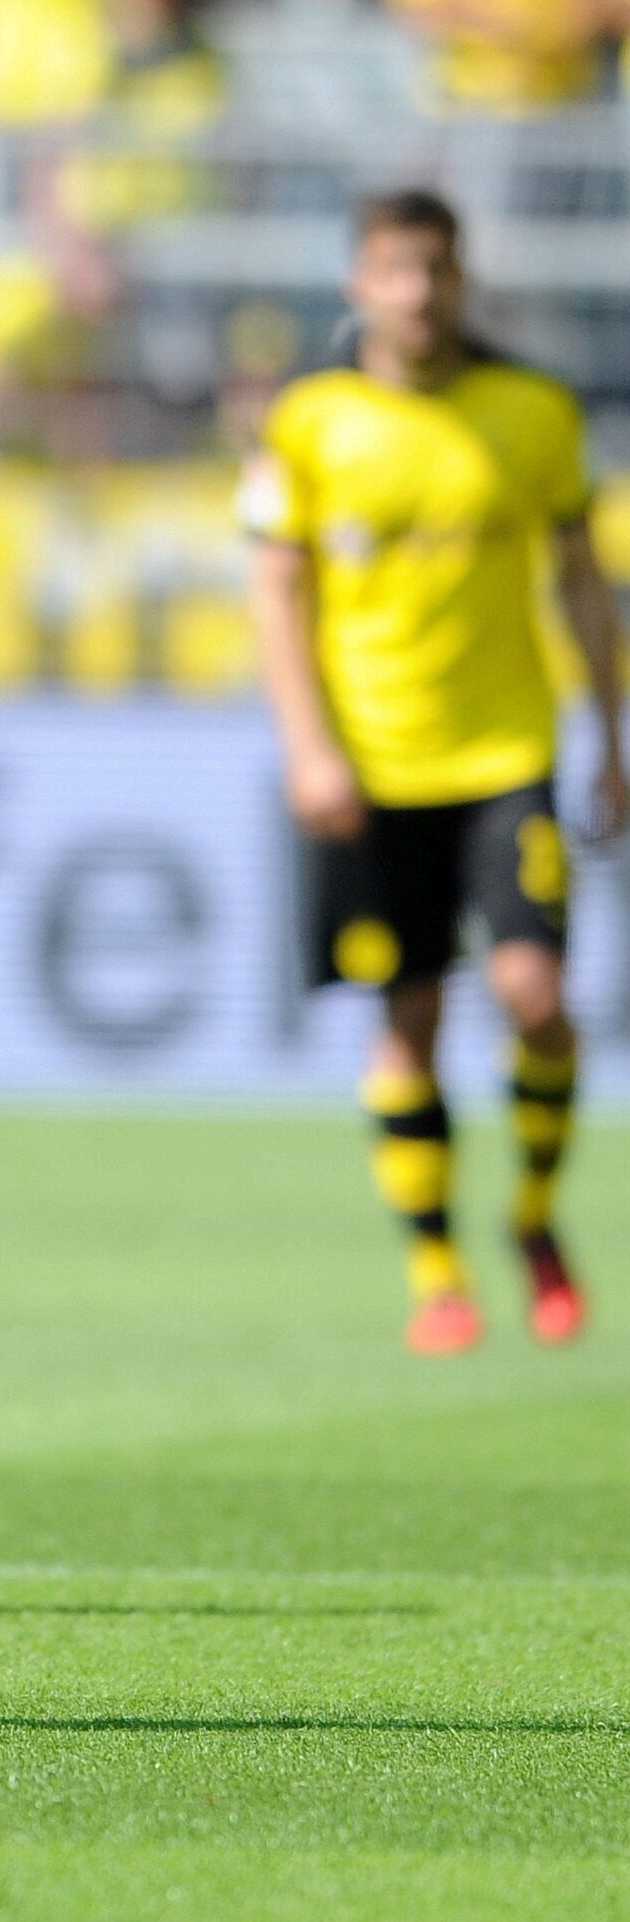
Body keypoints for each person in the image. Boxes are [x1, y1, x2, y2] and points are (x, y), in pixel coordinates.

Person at [243, 187, 625, 1356]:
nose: (417, 293)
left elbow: (577, 580)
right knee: (406, 1017)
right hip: (371, 768)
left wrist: (610, 735)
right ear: (361, 284)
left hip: (505, 755)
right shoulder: (310, 422)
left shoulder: (530, 411)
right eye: (395, 272)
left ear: (462, 280)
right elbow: (275, 590)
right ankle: (437, 1269)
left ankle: (532, 1218)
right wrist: (308, 748)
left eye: (436, 271)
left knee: (537, 1000)